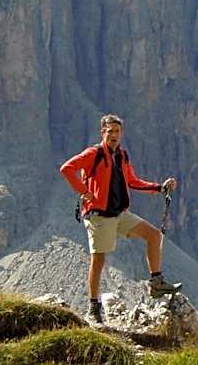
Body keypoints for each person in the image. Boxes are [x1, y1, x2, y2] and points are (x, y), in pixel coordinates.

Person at [60, 113, 180, 323]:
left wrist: (159, 187)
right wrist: (84, 191)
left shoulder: (122, 156)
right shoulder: (93, 153)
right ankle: (93, 308)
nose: (113, 135)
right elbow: (67, 168)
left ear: (121, 133)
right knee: (98, 260)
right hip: (99, 216)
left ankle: (156, 282)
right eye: (110, 131)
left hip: (118, 213)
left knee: (154, 236)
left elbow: (132, 181)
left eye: (117, 131)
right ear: (102, 132)